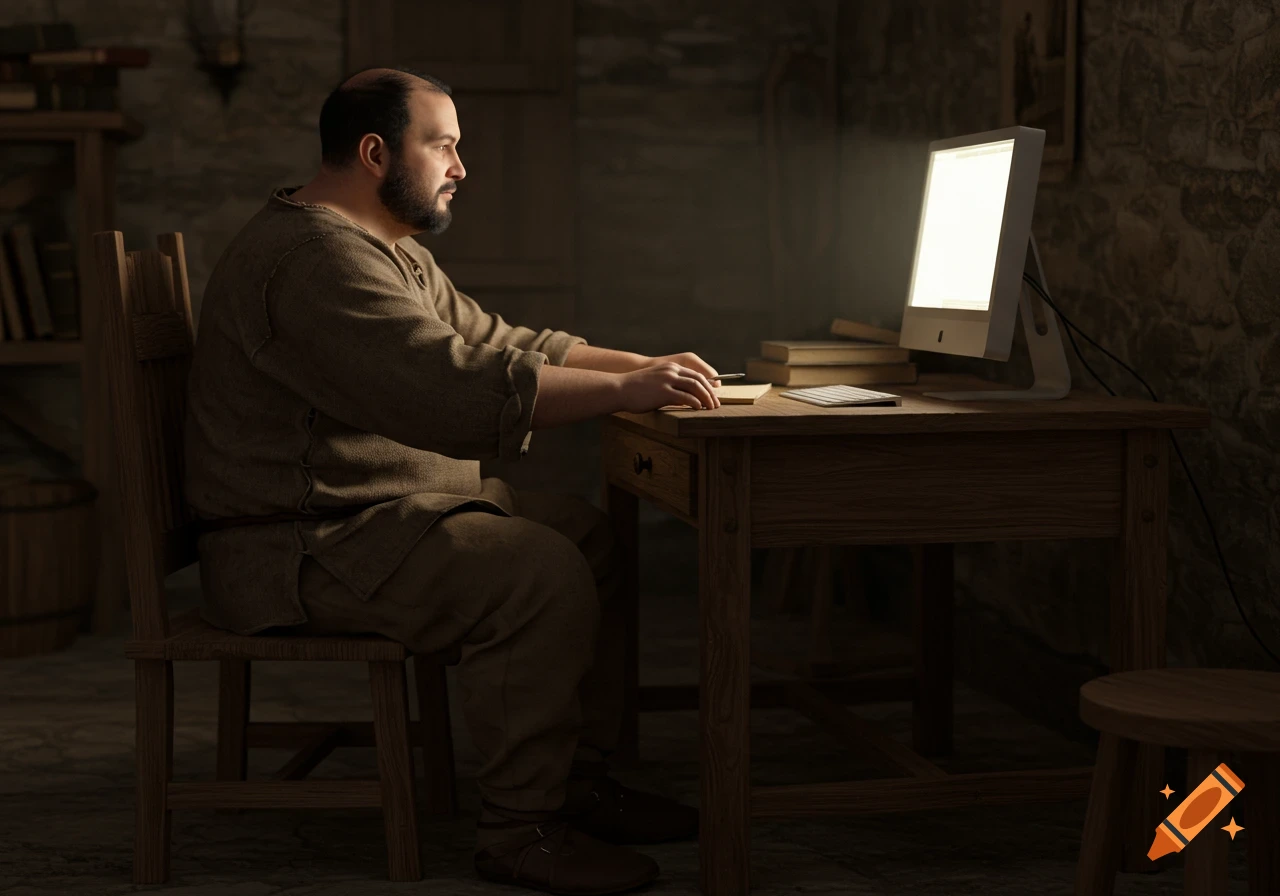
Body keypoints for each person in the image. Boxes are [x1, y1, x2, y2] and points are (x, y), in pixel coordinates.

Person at [184, 67, 721, 894]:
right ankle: (521, 832)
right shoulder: (313, 257)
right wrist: (627, 391)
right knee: (536, 573)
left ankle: (575, 788)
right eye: (444, 145)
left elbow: (505, 342)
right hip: (306, 545)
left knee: (587, 535)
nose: (461, 167)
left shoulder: (379, 245)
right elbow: (452, 382)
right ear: (375, 152)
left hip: (374, 520)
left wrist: (646, 367)